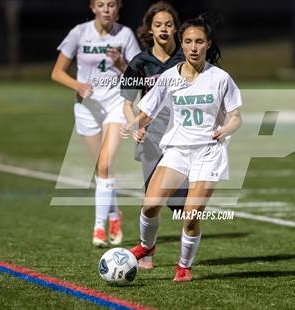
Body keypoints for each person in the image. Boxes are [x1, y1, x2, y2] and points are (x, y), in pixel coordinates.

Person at [127, 14, 243, 282]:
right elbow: (148, 110)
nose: (193, 47)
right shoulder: (169, 77)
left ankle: (184, 266)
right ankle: (147, 246)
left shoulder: (221, 78)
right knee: (150, 205)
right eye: (188, 41)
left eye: (199, 42)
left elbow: (236, 116)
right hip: (177, 150)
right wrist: (135, 124)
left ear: (207, 44)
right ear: (181, 42)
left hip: (208, 152)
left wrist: (227, 128)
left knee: (190, 217)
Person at [51, 0, 141, 247]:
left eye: (111, 5)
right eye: (101, 4)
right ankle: (114, 214)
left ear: (118, 9)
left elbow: (138, 74)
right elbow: (57, 72)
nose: (106, 9)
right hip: (87, 108)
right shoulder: (79, 33)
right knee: (102, 169)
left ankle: (99, 229)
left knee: (105, 163)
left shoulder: (125, 35)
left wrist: (122, 63)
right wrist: (78, 85)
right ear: (92, 8)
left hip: (115, 106)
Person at [120, 1, 186, 270]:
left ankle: (185, 258)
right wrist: (136, 125)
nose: (163, 29)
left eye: (168, 24)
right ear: (149, 29)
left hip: (182, 136)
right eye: (158, 25)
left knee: (181, 203)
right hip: (150, 136)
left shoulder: (185, 59)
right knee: (151, 199)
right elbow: (127, 101)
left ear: (175, 29)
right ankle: (147, 251)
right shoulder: (140, 62)